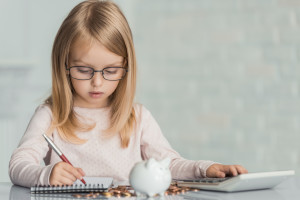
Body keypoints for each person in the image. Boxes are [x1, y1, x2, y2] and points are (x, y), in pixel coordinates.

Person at [9, 0, 248, 188]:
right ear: (64, 65)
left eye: (111, 70)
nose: (97, 82)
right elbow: (18, 165)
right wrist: (45, 173)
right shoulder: (51, 115)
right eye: (83, 70)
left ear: (126, 67)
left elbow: (169, 164)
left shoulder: (137, 117)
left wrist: (205, 169)